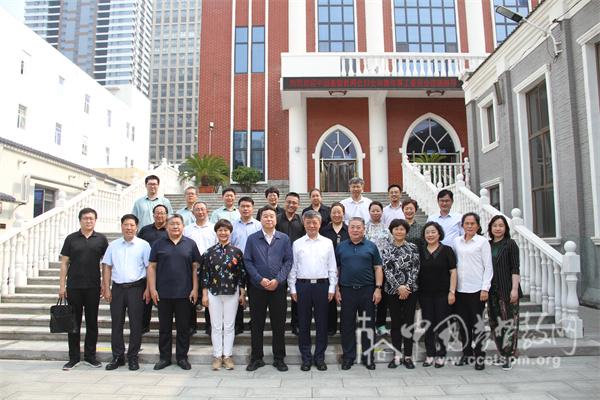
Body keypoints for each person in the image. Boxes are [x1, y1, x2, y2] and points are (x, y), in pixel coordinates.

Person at [148, 214, 201, 370]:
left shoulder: (190, 244)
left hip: (185, 294)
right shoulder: (158, 244)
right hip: (163, 293)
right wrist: (152, 289)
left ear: (183, 226)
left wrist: (195, 288)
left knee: (183, 328)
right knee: (164, 328)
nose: (175, 227)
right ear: (166, 226)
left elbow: (195, 268)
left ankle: (182, 357)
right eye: (172, 224)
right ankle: (164, 358)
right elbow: (151, 267)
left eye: (178, 224)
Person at [244, 205, 293, 372]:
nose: (269, 219)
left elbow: (288, 262)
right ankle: (256, 358)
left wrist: (278, 280)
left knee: (278, 325)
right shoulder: (252, 239)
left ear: (276, 218)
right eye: (265, 216)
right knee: (256, 324)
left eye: (272, 216)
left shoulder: (284, 239)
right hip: (257, 289)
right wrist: (259, 279)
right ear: (260, 219)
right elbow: (248, 261)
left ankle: (279, 358)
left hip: (277, 289)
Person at [58, 208, 108, 371]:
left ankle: (90, 356)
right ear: (80, 220)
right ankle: (73, 357)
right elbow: (64, 262)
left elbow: (105, 264)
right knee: (74, 323)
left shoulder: (101, 239)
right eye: (85, 218)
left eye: (91, 219)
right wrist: (61, 286)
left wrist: (105, 285)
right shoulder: (71, 239)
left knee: (92, 322)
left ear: (95, 220)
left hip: (93, 287)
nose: (88, 221)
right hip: (74, 287)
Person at [288, 211, 337, 371]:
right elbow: (293, 268)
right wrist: (293, 288)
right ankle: (306, 358)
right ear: (304, 223)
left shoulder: (328, 242)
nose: (311, 225)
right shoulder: (297, 243)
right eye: (308, 222)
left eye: (315, 222)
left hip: (322, 286)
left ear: (320, 223)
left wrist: (332, 287)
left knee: (322, 323)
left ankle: (320, 357)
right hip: (303, 286)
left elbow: (332, 267)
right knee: (304, 323)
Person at [101, 214, 151, 371]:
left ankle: (133, 356)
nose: (129, 228)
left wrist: (149, 289)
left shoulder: (144, 245)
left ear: (137, 227)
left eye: (132, 225)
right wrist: (106, 287)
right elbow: (107, 266)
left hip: (137, 288)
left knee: (136, 324)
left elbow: (150, 268)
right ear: (121, 226)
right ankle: (117, 356)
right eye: (126, 225)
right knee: (117, 323)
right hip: (117, 289)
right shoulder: (113, 245)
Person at [335, 217, 383, 370]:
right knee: (347, 325)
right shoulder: (341, 247)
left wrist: (378, 288)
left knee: (367, 324)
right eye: (352, 227)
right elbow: (336, 269)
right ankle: (348, 357)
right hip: (347, 291)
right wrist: (336, 289)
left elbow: (378, 268)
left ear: (364, 229)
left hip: (367, 291)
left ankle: (368, 357)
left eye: (358, 227)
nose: (355, 230)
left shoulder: (371, 246)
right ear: (348, 229)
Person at [201, 219, 246, 371]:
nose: (223, 233)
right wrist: (204, 294)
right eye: (220, 230)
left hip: (232, 292)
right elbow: (204, 275)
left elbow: (241, 274)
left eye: (226, 230)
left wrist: (242, 292)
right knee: (216, 326)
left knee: (229, 325)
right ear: (216, 232)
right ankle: (217, 356)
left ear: (230, 232)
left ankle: (227, 356)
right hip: (213, 293)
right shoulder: (209, 252)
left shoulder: (237, 252)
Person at [453, 212, 493, 371]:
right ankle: (466, 353)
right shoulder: (457, 241)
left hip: (477, 290)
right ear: (462, 225)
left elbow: (488, 266)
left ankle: (479, 355)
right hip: (460, 290)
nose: (469, 226)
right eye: (466, 223)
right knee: (463, 324)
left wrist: (485, 288)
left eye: (472, 223)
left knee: (477, 324)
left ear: (477, 225)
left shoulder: (482, 242)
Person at [380, 219, 420, 369]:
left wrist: (407, 287)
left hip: (411, 291)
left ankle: (408, 356)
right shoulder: (386, 248)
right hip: (392, 291)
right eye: (396, 229)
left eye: (402, 229)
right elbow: (387, 270)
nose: (399, 231)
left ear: (406, 231)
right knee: (396, 323)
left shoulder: (413, 247)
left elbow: (415, 268)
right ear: (392, 231)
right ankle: (397, 355)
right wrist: (398, 287)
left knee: (409, 323)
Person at [418, 221, 457, 368]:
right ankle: (430, 354)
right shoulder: (420, 251)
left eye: (433, 232)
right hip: (425, 294)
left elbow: (453, 272)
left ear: (439, 233)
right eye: (427, 232)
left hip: (443, 294)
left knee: (442, 324)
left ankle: (441, 354)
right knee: (428, 324)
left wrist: (452, 292)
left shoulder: (447, 250)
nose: (430, 235)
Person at [487, 215, 522, 370]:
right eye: (495, 225)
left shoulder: (510, 244)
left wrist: (514, 289)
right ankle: (502, 353)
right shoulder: (487, 245)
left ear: (506, 228)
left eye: (501, 225)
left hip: (507, 289)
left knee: (508, 323)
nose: (498, 228)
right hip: (491, 291)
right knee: (495, 323)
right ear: (490, 228)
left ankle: (509, 355)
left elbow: (515, 268)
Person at [183, 201, 217, 335]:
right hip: (192, 266)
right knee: (192, 296)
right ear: (193, 213)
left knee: (210, 297)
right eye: (197, 210)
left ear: (207, 211)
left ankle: (210, 325)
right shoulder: (187, 229)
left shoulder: (214, 228)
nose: (200, 212)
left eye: (202, 209)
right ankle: (192, 325)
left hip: (211, 267)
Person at [230, 196, 262, 334]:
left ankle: (254, 322)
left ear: (252, 208)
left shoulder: (258, 225)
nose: (245, 209)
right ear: (239, 208)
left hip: (255, 265)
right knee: (237, 294)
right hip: (236, 264)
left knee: (255, 295)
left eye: (248, 206)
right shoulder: (232, 225)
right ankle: (238, 324)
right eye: (243, 206)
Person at [276, 192, 305, 335]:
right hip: (279, 263)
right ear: (284, 202)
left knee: (296, 295)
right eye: (289, 202)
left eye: (294, 202)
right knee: (280, 296)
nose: (291, 205)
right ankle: (279, 324)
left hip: (297, 264)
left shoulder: (301, 221)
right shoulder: (276, 219)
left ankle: (296, 324)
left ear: (298, 205)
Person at [138, 204, 168, 334]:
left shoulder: (170, 230)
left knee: (164, 301)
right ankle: (144, 326)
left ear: (167, 215)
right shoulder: (145, 230)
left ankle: (165, 328)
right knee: (146, 299)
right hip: (147, 268)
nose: (160, 215)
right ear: (153, 214)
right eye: (157, 213)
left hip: (164, 270)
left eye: (162, 213)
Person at [321, 202, 349, 336]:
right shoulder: (324, 230)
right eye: (334, 212)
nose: (337, 215)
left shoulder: (349, 229)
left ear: (344, 214)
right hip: (327, 269)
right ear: (330, 214)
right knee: (330, 299)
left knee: (347, 299)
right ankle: (330, 327)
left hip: (347, 268)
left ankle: (346, 327)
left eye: (339, 212)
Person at [365, 201, 392, 336]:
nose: (375, 213)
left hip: (384, 268)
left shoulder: (387, 229)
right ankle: (369, 324)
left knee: (383, 298)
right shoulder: (364, 228)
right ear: (369, 212)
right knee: (370, 297)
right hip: (368, 268)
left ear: (382, 212)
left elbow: (392, 246)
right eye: (373, 210)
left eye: (378, 210)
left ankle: (380, 324)